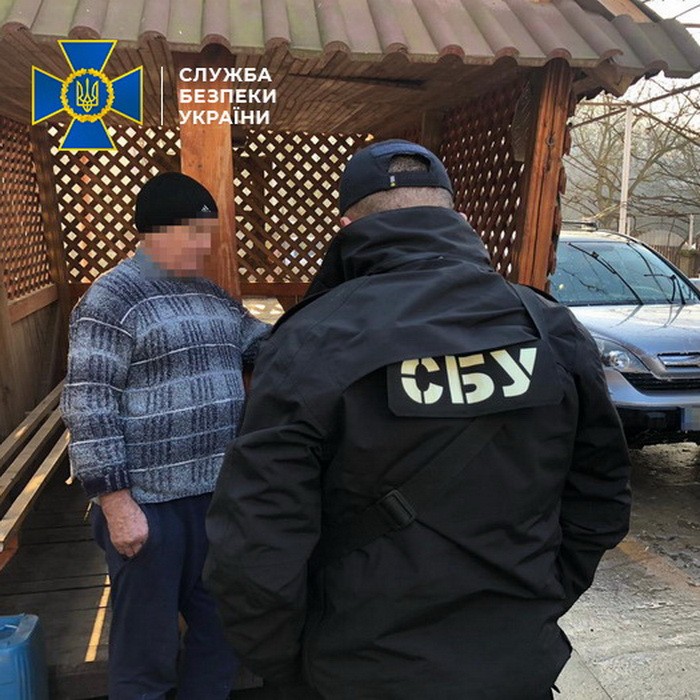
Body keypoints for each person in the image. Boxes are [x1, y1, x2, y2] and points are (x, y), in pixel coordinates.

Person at [204, 140, 631, 700]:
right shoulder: (550, 329)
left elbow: (253, 549)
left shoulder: (309, 341)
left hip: (360, 672)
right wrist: (537, 602)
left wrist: (293, 665)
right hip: (513, 666)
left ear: (346, 227)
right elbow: (601, 500)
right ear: (458, 218)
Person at [60, 172, 269, 699]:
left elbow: (264, 346)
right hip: (149, 508)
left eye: (209, 235)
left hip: (214, 500)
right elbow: (88, 404)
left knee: (221, 632)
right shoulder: (111, 300)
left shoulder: (212, 297)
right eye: (195, 233)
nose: (206, 247)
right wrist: (116, 504)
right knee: (145, 651)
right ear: (155, 230)